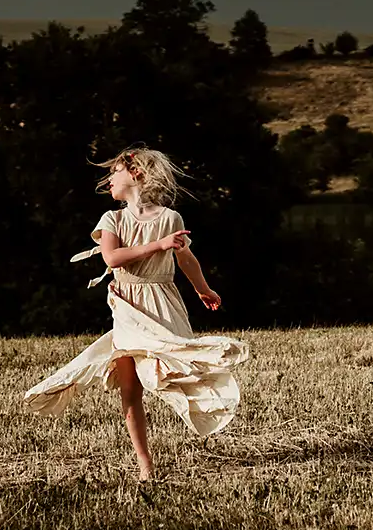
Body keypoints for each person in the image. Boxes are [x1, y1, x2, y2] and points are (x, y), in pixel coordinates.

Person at [23, 145, 249, 481]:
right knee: (130, 388)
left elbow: (186, 258)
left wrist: (203, 288)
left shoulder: (171, 219)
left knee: (175, 361)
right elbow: (112, 259)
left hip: (163, 300)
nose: (108, 180)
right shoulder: (112, 219)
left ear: (136, 174)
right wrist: (158, 245)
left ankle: (206, 407)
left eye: (114, 172)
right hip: (128, 303)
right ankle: (145, 466)